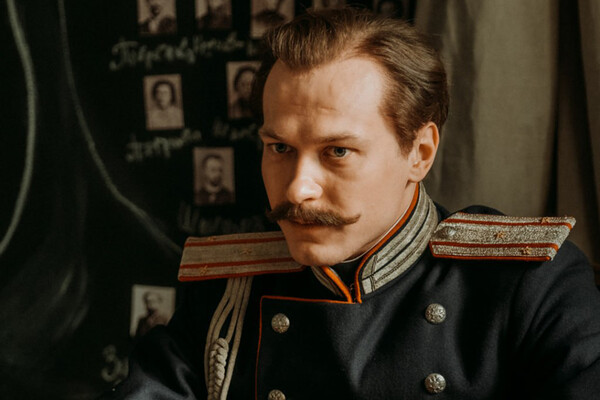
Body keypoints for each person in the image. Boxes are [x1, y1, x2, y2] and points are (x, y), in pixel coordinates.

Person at [103, 7, 600, 399]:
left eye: (337, 151)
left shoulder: (529, 284)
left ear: (420, 153)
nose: (297, 190)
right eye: (280, 148)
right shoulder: (226, 294)